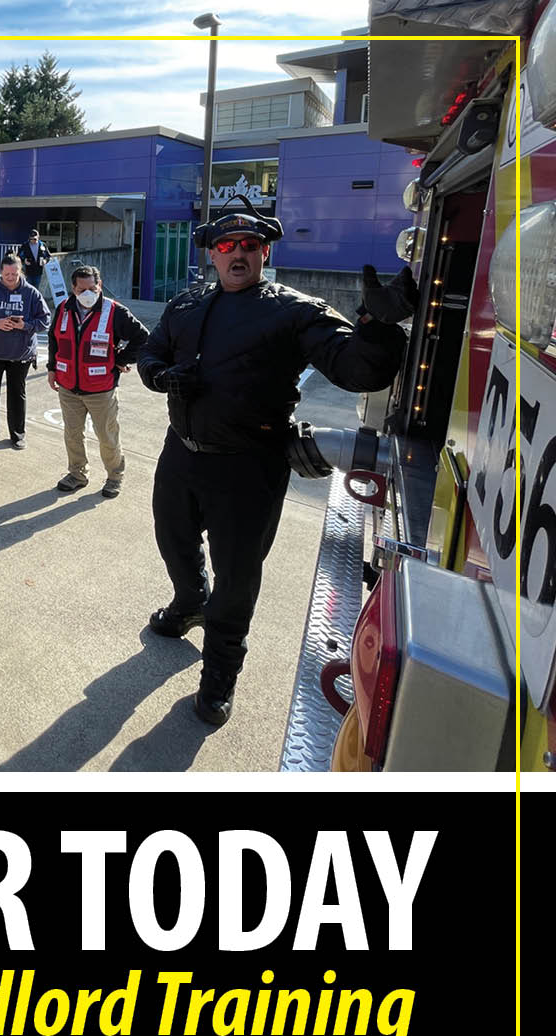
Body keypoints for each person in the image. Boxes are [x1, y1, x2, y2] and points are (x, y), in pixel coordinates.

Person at [137, 204, 408, 727]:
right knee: (173, 541)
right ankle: (191, 600)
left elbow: (357, 369)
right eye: (226, 245)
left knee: (237, 580)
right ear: (212, 254)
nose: (237, 252)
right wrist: (161, 376)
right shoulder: (186, 304)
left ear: (265, 252)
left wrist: (377, 327)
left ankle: (219, 676)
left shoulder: (294, 310)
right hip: (181, 456)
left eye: (248, 245)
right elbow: (151, 354)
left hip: (249, 469)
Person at [47, 264, 149, 498]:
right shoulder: (63, 308)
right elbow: (54, 339)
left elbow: (143, 338)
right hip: (68, 386)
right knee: (72, 435)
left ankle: (114, 477)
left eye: (93, 288)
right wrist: (52, 368)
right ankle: (77, 474)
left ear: (100, 285)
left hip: (101, 389)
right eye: (82, 290)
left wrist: (120, 359)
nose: (88, 294)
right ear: (73, 289)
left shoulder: (115, 312)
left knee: (107, 437)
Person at [0, 253, 50, 450]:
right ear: (0, 271)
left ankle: (17, 434)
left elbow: (45, 320)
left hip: (21, 353)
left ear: (21, 272)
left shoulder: (31, 293)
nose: (11, 277)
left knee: (17, 394)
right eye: (7, 273)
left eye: (15, 273)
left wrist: (24, 325)